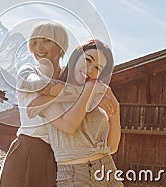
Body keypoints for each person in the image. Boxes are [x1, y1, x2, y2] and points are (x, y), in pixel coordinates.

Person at [28, 40, 123, 186]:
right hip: (73, 176)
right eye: (87, 60)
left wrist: (116, 110)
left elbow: (112, 147)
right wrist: (91, 87)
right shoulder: (51, 93)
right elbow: (68, 126)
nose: (90, 69)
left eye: (98, 68)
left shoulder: (98, 99)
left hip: (107, 173)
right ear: (76, 58)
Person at [0, 20, 69, 187]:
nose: (39, 48)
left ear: (60, 46)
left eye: (46, 41)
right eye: (35, 42)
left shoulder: (70, 76)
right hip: (26, 150)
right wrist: (75, 94)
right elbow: (39, 85)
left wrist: (48, 97)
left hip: (57, 158)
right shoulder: (27, 71)